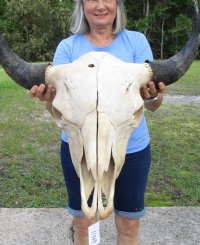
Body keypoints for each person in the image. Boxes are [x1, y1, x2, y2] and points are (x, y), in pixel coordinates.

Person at [30, 0, 165, 244]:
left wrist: (152, 95)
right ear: (82, 5)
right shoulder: (68, 48)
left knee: (128, 224)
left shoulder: (136, 42)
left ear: (118, 4)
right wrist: (47, 100)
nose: (100, 5)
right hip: (79, 151)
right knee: (83, 223)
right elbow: (58, 111)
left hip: (131, 149)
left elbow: (153, 105)